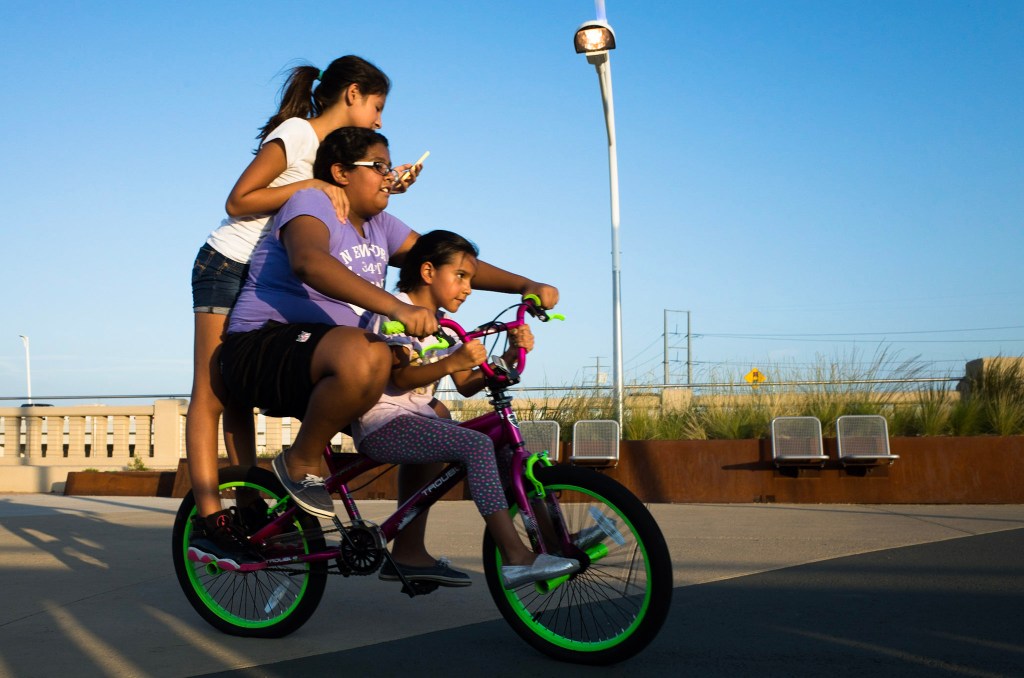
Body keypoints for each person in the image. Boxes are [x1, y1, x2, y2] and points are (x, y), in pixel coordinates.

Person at [205, 127, 557, 567]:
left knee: (437, 414)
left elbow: (448, 260)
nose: (391, 177)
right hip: (264, 346)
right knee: (369, 351)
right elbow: (308, 261)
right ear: (341, 173)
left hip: (326, 361)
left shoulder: (382, 227)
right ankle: (300, 460)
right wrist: (397, 308)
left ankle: (409, 549)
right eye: (379, 167)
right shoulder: (312, 202)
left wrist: (525, 284)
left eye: (390, 167)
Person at [186, 56, 424, 561]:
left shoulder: (334, 154)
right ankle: (210, 516)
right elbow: (239, 200)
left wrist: (382, 183)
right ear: (353, 94)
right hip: (228, 263)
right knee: (211, 392)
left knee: (244, 394)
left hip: (266, 274)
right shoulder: (297, 133)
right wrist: (314, 185)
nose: (380, 120)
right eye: (377, 107)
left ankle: (250, 506)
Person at [354, 230, 579, 588]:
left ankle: (555, 542)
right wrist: (449, 362)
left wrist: (508, 353)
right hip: (382, 421)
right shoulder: (391, 311)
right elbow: (400, 376)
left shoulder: (445, 326)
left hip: (417, 420)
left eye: (471, 279)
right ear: (428, 272)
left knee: (506, 448)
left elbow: (469, 384)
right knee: (476, 445)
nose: (468, 288)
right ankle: (516, 557)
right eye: (460, 276)